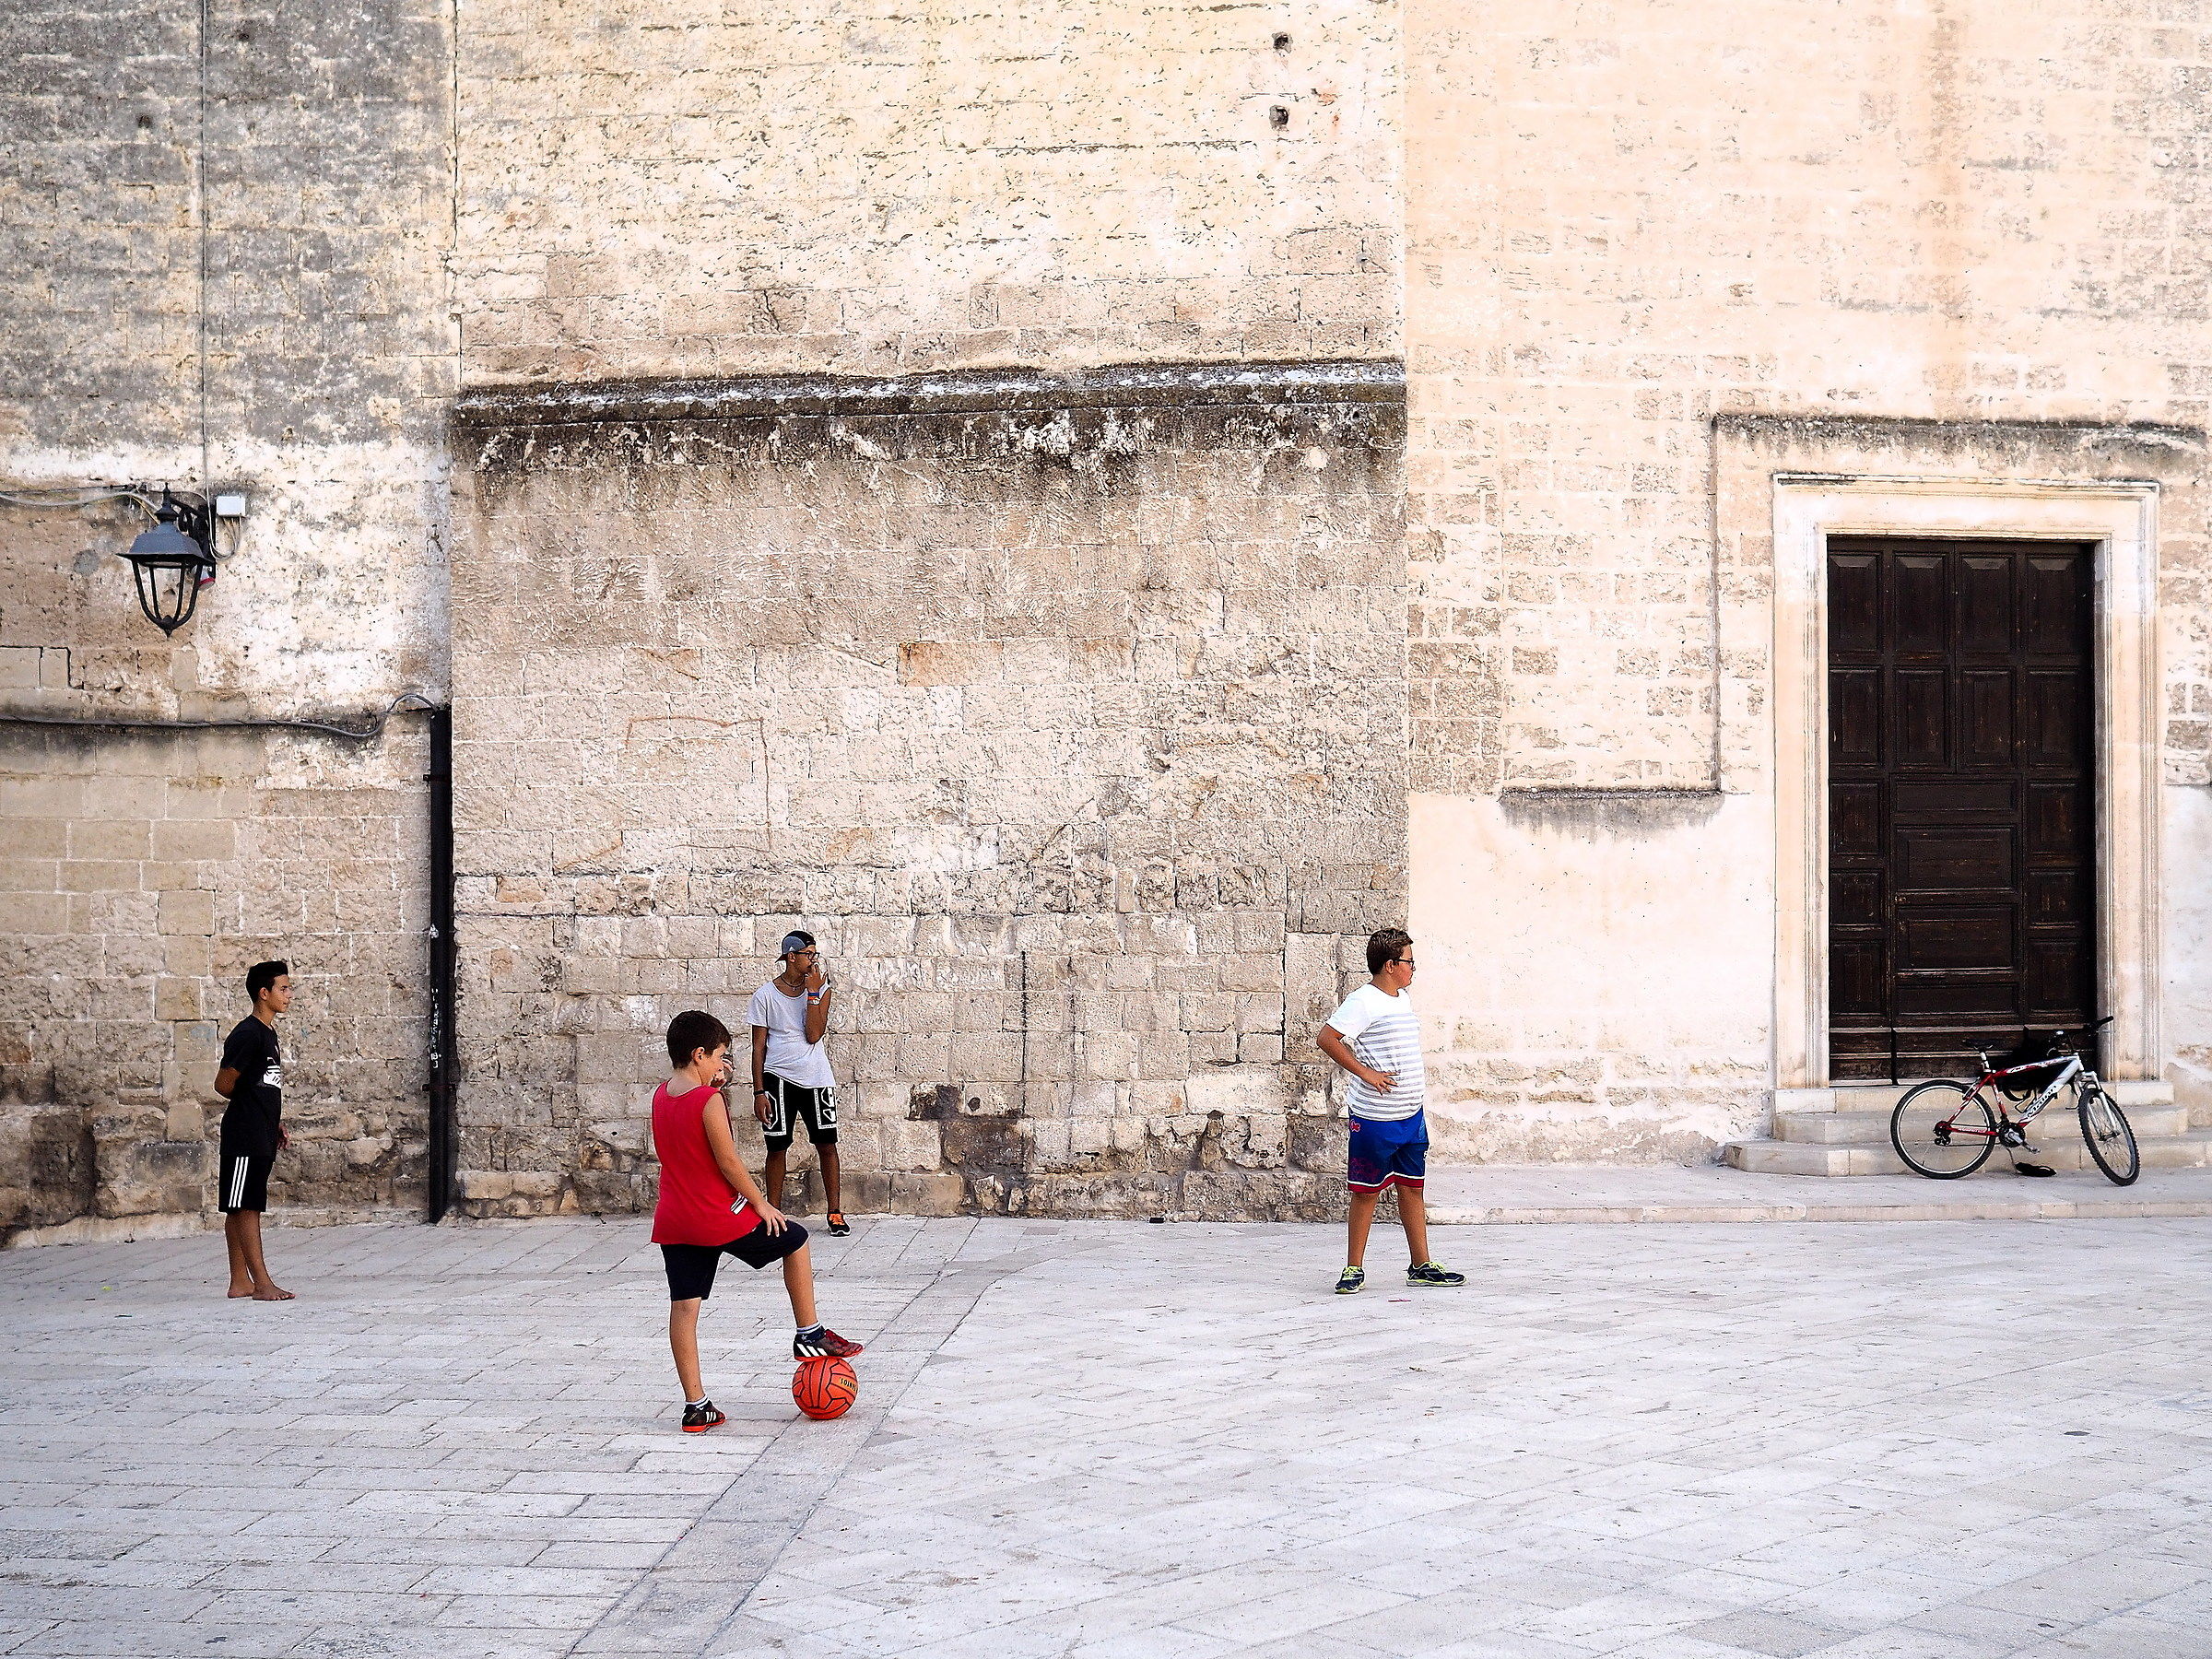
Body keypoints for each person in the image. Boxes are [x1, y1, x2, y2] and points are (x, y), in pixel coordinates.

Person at [653, 1009, 862, 1433]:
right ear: (699, 1055)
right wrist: (761, 1204)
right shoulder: (708, 1101)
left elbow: (680, 1144)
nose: (723, 1065)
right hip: (717, 1215)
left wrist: (714, 1090)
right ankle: (809, 1331)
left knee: (684, 1307)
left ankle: (696, 1406)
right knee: (796, 1238)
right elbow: (727, 1161)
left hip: (676, 1218)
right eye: (719, 1056)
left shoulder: (662, 1095)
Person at [1316, 928, 1465, 1294]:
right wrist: (1366, 1073)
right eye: (1409, 962)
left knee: (1413, 1188)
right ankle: (1353, 1268)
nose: (1414, 968)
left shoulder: (1402, 999)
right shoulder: (1363, 1001)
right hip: (1374, 1120)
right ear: (1389, 965)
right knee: (1366, 1192)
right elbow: (1327, 1038)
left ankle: (1421, 1265)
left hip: (1410, 1116)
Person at [747, 931, 848, 1235]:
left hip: (816, 1077)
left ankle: (835, 1212)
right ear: (792, 956)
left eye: (815, 955)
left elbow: (813, 1034)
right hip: (776, 1077)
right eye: (809, 954)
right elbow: (758, 1047)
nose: (814, 960)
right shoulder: (765, 995)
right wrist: (758, 1091)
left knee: (827, 1145)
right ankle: (773, 1213)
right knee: (777, 1147)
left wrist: (814, 994)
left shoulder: (821, 989)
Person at [214, 960, 294, 1301]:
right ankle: (261, 1282)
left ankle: (240, 1282)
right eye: (284, 988)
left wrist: (272, 1119)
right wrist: (252, 1109)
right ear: (265, 993)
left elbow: (263, 1084)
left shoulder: (268, 1034)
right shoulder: (247, 1034)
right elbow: (223, 1083)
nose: (290, 995)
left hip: (261, 1130)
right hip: (244, 1133)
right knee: (246, 1207)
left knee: (239, 1204)